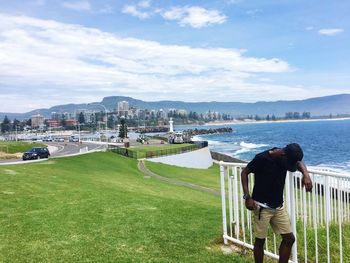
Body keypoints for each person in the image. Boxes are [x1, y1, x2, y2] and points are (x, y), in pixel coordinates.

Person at [241, 143, 312, 263]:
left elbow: (299, 162)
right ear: (283, 155)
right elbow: (244, 173)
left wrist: (305, 174)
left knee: (289, 239)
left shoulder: (286, 156)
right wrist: (247, 197)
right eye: (288, 164)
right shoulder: (262, 158)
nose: (289, 166)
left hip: (278, 206)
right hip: (261, 207)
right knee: (260, 242)